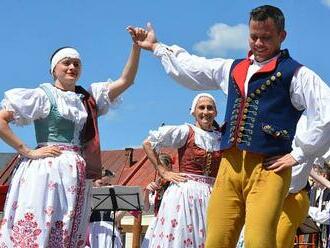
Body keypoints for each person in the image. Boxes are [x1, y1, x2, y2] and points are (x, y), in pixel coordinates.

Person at [130, 4, 330, 247]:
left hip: (268, 168)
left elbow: (326, 110)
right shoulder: (233, 68)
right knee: (216, 239)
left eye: (266, 37)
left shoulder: (297, 74)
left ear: (282, 36)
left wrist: (299, 154)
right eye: (253, 36)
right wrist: (156, 47)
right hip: (229, 167)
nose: (258, 43)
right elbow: (194, 67)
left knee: (258, 240)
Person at [0, 28, 145, 247]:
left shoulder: (86, 99)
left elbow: (125, 80)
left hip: (76, 172)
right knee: (42, 224)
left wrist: (136, 47)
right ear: (53, 69)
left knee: (68, 228)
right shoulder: (42, 95)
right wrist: (27, 150)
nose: (72, 67)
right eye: (66, 63)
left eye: (76, 64)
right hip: (47, 170)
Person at [142, 93, 222, 248]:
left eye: (210, 108)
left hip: (212, 193)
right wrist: (163, 171)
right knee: (182, 237)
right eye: (201, 107)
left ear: (216, 112)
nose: (206, 112)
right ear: (193, 111)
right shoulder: (186, 131)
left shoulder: (220, 137)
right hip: (186, 193)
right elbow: (148, 143)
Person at [86, 169, 123, 248]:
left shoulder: (112, 197)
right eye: (100, 183)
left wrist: (125, 208)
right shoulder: (88, 195)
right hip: (93, 230)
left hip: (110, 231)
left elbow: (115, 217)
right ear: (93, 182)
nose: (103, 187)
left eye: (107, 184)